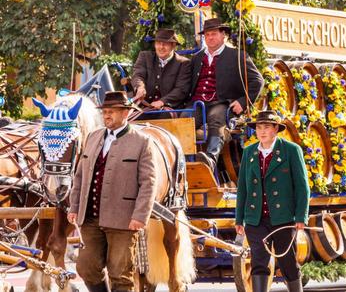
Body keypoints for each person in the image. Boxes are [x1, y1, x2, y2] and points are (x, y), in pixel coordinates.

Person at [68, 91, 156, 292]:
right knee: (86, 267)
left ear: (126, 113)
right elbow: (80, 176)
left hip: (124, 220)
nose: (107, 115)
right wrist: (74, 207)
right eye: (105, 111)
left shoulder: (142, 142)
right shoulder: (93, 137)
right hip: (90, 218)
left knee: (121, 273)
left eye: (112, 112)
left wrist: (140, 216)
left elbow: (148, 183)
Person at [235, 110, 310, 292]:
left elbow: (302, 187)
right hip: (255, 219)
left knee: (288, 263)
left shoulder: (291, 150)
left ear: (276, 129)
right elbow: (243, 188)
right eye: (259, 127)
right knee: (258, 263)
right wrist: (239, 219)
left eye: (266, 127)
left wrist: (301, 217)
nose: (262, 131)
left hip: (283, 218)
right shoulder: (249, 152)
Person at [185, 18, 264, 170]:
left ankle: (210, 159)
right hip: (197, 103)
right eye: (207, 35)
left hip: (222, 103)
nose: (210, 38)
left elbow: (258, 81)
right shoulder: (196, 58)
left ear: (224, 35)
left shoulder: (237, 56)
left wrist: (243, 102)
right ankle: (182, 161)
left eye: (214, 34)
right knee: (184, 119)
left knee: (216, 117)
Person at [132, 28, 191, 112]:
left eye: (165, 44)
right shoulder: (145, 57)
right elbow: (138, 75)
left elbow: (181, 89)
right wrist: (140, 87)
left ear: (173, 46)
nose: (161, 47)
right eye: (158, 43)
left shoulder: (184, 63)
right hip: (142, 106)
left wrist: (162, 101)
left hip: (169, 109)